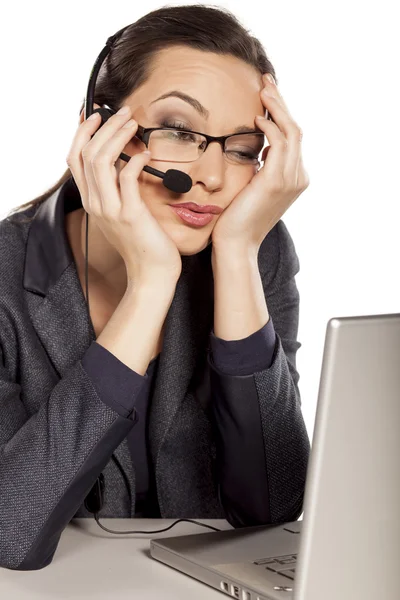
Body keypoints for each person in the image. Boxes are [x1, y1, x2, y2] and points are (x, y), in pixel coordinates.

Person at [0, 4, 310, 571]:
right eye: (179, 131)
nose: (213, 177)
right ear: (98, 129)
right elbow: (8, 532)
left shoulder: (254, 247)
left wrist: (238, 256)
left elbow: (277, 508)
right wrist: (150, 284)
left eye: (241, 148)